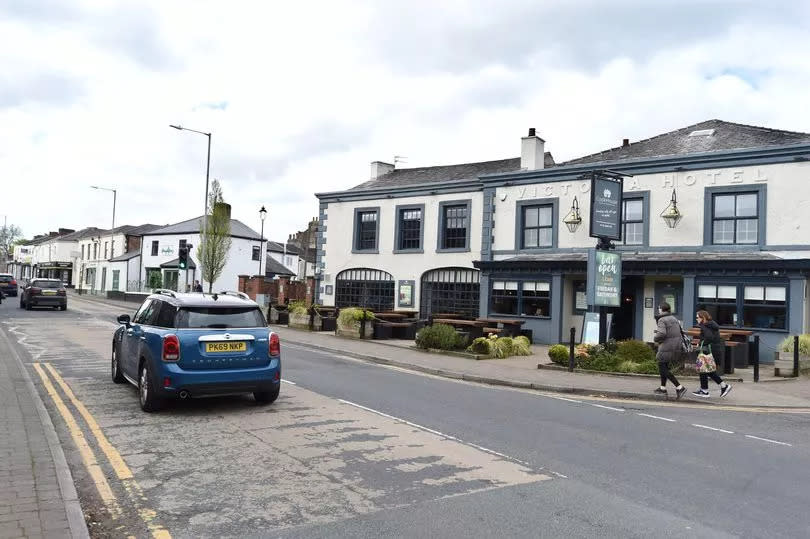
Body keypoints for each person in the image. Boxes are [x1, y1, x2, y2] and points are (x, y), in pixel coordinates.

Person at [692, 310, 733, 398]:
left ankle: (705, 391)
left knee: (703, 369)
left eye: (697, 317)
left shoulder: (705, 326)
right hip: (713, 350)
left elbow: (709, 337)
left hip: (709, 350)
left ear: (702, 318)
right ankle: (723, 386)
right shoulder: (710, 324)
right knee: (708, 370)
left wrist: (702, 343)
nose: (696, 319)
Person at [653, 302, 687, 399]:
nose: (658, 309)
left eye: (658, 308)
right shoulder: (674, 318)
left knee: (662, 367)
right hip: (675, 346)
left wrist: (655, 338)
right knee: (664, 366)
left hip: (666, 347)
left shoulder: (662, 320)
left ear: (661, 309)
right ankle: (663, 388)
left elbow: (662, 334)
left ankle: (679, 387)